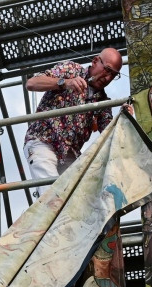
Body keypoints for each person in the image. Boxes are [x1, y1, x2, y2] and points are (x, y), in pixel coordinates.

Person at [23, 47, 122, 194]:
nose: (107, 78)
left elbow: (111, 134)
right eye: (107, 70)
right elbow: (31, 83)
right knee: (50, 194)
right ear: (95, 61)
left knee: (80, 197)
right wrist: (64, 82)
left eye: (113, 75)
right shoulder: (71, 69)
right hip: (43, 141)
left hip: (70, 153)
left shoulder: (103, 102)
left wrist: (123, 117)